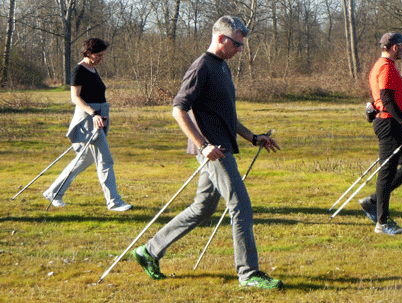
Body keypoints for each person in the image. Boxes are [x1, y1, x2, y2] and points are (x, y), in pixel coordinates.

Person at [132, 16, 283, 290]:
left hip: (221, 148)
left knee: (202, 209)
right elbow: (178, 109)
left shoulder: (222, 67)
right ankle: (248, 273)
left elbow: (226, 115)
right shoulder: (202, 66)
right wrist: (203, 145)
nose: (240, 50)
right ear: (222, 38)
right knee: (241, 206)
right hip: (214, 151)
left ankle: (149, 251)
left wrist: (253, 137)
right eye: (237, 44)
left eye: (242, 45)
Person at [43, 38, 132, 212]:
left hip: (99, 117)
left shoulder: (92, 69)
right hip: (88, 119)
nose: (101, 58)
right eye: (99, 55)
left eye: (103, 55)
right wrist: (93, 114)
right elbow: (75, 98)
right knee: (105, 160)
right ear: (88, 53)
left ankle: (53, 192)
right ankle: (114, 202)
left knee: (85, 159)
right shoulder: (79, 70)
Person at [358, 32, 402, 235]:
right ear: (395, 47)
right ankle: (382, 223)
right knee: (386, 173)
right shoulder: (385, 68)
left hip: (394, 122)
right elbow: (387, 101)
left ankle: (373, 201)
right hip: (389, 124)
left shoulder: (387, 66)